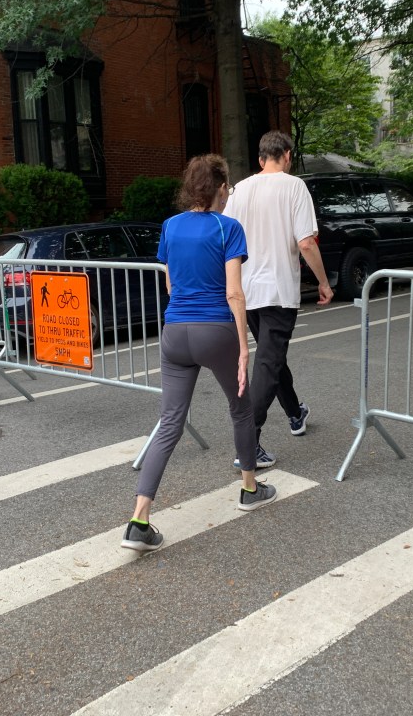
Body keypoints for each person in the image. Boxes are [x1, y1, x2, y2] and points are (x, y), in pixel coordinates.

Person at [122, 154, 276, 552]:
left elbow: (171, 285)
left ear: (191, 188)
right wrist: (244, 347)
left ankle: (139, 519)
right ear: (221, 188)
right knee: (240, 408)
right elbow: (234, 293)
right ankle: (249, 488)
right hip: (216, 330)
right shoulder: (229, 228)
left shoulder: (170, 227)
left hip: (175, 331)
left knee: (170, 421)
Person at [224, 130, 333, 470]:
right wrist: (324, 283)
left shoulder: (239, 190)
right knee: (268, 363)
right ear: (286, 155)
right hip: (279, 290)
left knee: (273, 357)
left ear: (260, 158)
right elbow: (306, 243)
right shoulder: (294, 186)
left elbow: (222, 236)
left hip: (247, 290)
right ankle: (248, 444)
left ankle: (295, 413)